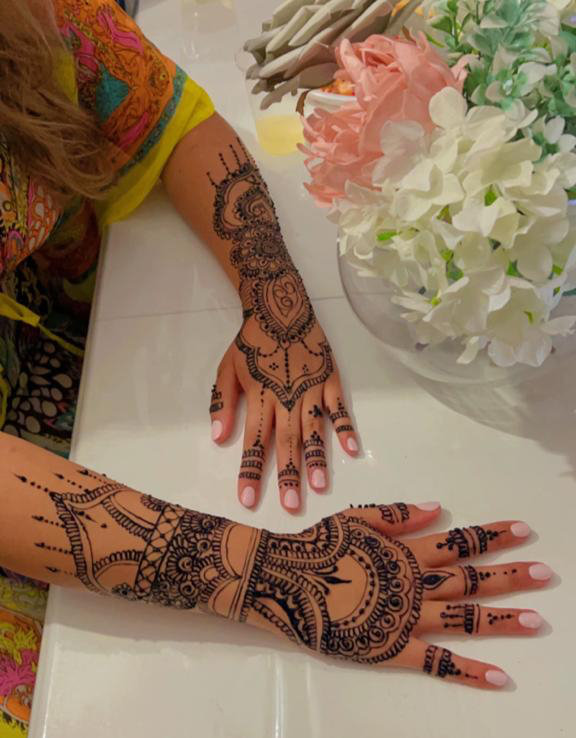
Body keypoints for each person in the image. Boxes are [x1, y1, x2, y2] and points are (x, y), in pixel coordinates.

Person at [0, 0, 552, 734]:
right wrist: (262, 573)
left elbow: (171, 119)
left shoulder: (31, 16)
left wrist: (275, 302)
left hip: (58, 337)